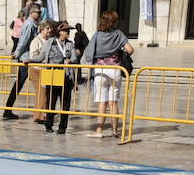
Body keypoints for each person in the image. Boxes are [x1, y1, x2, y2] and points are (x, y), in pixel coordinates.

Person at [80, 9, 134, 138]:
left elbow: (87, 54)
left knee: (102, 103)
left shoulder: (98, 35)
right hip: (116, 70)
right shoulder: (118, 34)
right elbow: (130, 50)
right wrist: (119, 52)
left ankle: (99, 131)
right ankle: (115, 131)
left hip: (101, 70)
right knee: (113, 102)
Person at [33, 20, 77, 134]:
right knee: (51, 101)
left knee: (65, 103)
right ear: (59, 31)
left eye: (68, 31)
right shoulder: (50, 42)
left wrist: (70, 61)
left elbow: (74, 58)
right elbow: (41, 56)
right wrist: (30, 60)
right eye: (66, 30)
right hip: (51, 74)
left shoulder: (70, 44)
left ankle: (62, 127)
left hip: (65, 75)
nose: (68, 33)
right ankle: (49, 125)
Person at [2, 4, 43, 119]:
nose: (39, 14)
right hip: (26, 58)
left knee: (32, 85)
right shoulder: (29, 24)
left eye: (40, 12)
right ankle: (8, 109)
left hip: (30, 58)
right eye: (38, 12)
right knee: (22, 84)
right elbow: (23, 40)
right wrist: (16, 54)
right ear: (31, 12)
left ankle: (39, 111)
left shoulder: (34, 24)